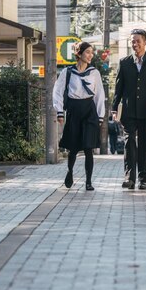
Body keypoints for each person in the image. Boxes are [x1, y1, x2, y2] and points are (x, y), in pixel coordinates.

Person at [112, 28, 146, 190]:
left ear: (145, 43)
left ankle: (143, 178)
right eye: (132, 41)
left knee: (145, 145)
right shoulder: (124, 62)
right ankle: (129, 178)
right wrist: (115, 109)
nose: (135, 44)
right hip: (129, 112)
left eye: (138, 41)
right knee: (129, 144)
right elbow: (118, 88)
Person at [53, 41, 105, 191]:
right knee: (74, 148)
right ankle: (70, 171)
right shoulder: (67, 72)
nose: (90, 55)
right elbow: (57, 91)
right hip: (74, 111)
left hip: (90, 111)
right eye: (87, 52)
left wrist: (100, 116)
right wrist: (60, 111)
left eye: (91, 52)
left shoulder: (94, 73)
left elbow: (100, 94)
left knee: (88, 147)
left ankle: (88, 181)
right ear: (79, 54)